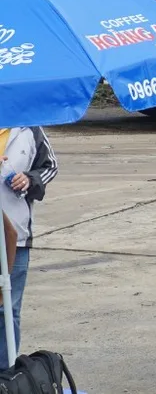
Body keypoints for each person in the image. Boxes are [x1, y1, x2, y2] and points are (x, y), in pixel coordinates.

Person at [0, 127, 58, 369]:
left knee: (8, 310)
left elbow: (50, 167)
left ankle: (6, 375)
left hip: (15, 235)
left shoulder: (29, 126)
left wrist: (29, 179)